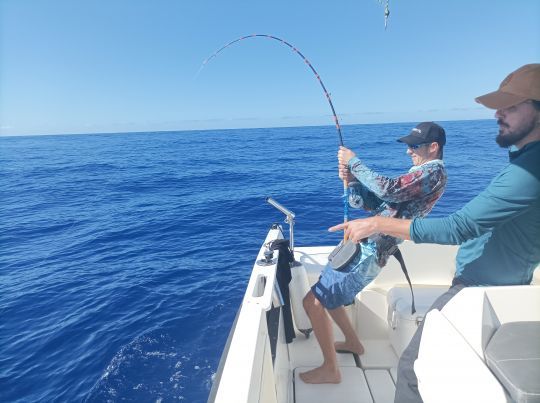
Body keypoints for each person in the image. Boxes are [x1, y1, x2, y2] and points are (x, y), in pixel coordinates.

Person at [329, 63, 540, 402]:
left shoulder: (529, 170)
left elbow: (457, 226)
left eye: (511, 105)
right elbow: (373, 198)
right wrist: (352, 183)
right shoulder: (523, 162)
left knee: (413, 369)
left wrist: (375, 221)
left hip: (482, 287)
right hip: (489, 284)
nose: (498, 113)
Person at [299, 122, 448, 384]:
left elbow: (388, 188)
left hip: (371, 251)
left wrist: (354, 162)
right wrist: (353, 182)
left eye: (414, 146)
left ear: (433, 147)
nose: (408, 152)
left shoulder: (433, 173)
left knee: (312, 302)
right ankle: (354, 343)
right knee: (328, 296)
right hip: (365, 244)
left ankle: (330, 369)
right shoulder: (422, 174)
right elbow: (377, 203)